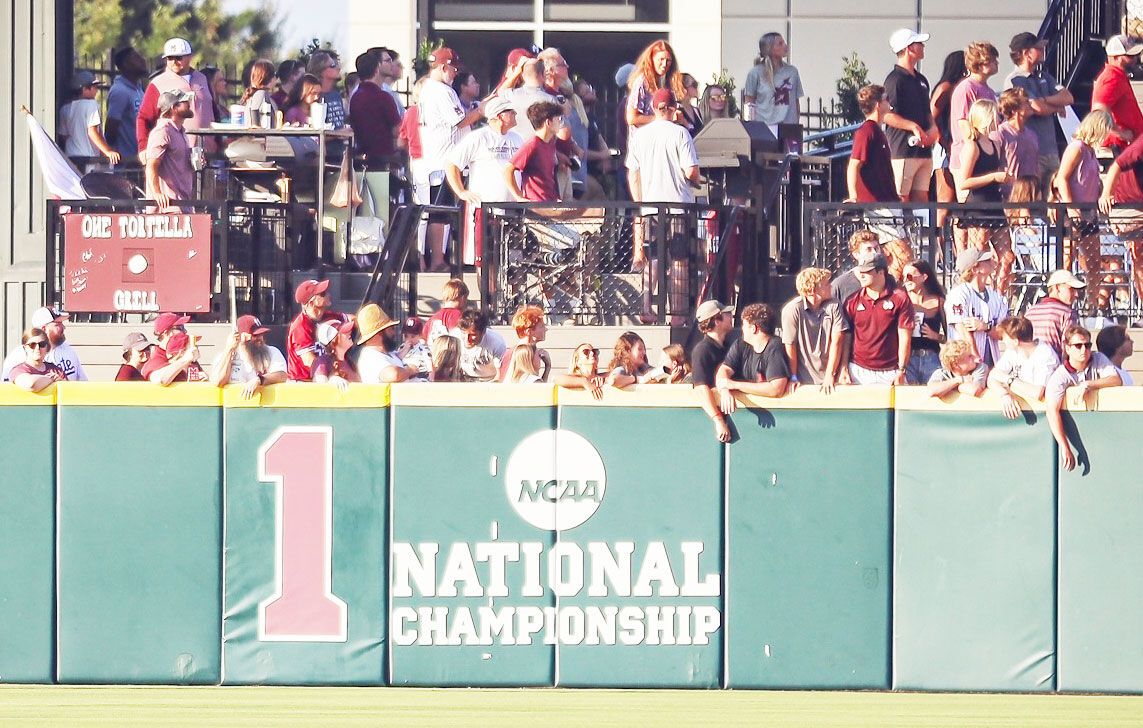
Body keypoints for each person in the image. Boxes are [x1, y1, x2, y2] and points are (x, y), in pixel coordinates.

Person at [626, 87, 700, 276]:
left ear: (653, 107)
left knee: (652, 261)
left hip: (650, 210)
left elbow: (633, 174)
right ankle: (678, 307)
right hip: (678, 208)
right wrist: (697, 180)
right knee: (679, 262)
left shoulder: (639, 136)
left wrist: (641, 204)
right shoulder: (681, 133)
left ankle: (647, 305)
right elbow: (691, 171)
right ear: (674, 108)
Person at [1054, 110, 1110, 308]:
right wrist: (1070, 207)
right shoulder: (1076, 148)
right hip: (1074, 212)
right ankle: (1062, 303)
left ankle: (1092, 306)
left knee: (1094, 262)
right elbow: (1062, 177)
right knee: (1067, 261)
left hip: (1089, 213)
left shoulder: (1091, 152)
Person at [1047, 325, 1123, 470]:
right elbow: (1051, 411)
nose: (1084, 350)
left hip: (1106, 433)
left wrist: (1089, 384)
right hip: (1079, 436)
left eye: (1087, 345)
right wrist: (1065, 447)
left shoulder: (1098, 358)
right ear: (1068, 348)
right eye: (1078, 345)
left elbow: (1116, 380)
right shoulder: (1060, 375)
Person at [959, 99, 1015, 291]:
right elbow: (964, 181)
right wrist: (993, 177)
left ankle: (998, 293)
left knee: (1007, 256)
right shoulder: (972, 146)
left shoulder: (995, 145)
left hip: (995, 204)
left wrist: (1004, 178)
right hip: (978, 206)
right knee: (978, 254)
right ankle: (974, 289)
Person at [1004, 32, 1072, 190]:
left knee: (1053, 198)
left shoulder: (1044, 76)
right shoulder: (1015, 80)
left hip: (1051, 150)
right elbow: (1037, 108)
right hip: (1032, 152)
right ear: (1026, 53)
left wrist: (1045, 100)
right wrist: (1056, 107)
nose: (1042, 51)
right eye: (1038, 49)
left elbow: (1068, 97)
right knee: (1034, 197)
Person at [135, 37, 214, 161]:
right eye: (170, 58)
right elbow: (144, 118)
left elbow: (213, 111)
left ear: (189, 57)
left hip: (208, 152)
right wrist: (143, 147)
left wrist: (219, 142)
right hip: (175, 154)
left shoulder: (202, 79)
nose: (174, 62)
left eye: (178, 58)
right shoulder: (158, 82)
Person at [884, 28, 938, 202]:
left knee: (921, 196)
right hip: (902, 149)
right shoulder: (894, 80)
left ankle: (921, 230)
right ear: (908, 48)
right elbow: (887, 115)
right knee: (902, 195)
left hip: (923, 151)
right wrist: (912, 126)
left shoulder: (921, 79)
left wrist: (933, 130)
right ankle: (902, 229)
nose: (922, 46)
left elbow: (927, 111)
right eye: (918, 43)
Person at [844, 251, 913, 386]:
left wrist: (901, 370)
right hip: (858, 370)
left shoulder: (900, 298)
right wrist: (843, 367)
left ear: (881, 272)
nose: (861, 275)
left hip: (891, 372)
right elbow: (846, 337)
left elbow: (905, 337)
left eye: (867, 271)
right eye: (860, 271)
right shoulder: (852, 301)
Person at [715, 302, 791, 414]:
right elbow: (724, 370)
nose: (742, 329)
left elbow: (776, 389)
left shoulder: (775, 347)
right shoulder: (740, 344)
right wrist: (725, 390)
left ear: (754, 328)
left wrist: (735, 385)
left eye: (744, 325)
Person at [781, 266, 848, 392]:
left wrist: (830, 374)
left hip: (831, 376)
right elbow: (790, 345)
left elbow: (837, 341)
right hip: (804, 378)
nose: (831, 286)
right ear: (813, 290)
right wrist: (793, 376)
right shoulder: (792, 310)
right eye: (826, 284)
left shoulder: (834, 305)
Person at [1097, 127, 1143, 303]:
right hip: (1127, 209)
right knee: (1139, 257)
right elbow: (1117, 164)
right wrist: (1106, 194)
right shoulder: (1141, 145)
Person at [949, 41, 999, 197]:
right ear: (981, 64)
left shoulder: (988, 90)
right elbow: (964, 123)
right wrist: (976, 146)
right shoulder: (966, 88)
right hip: (967, 160)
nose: (997, 63)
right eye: (992, 60)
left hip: (984, 159)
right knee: (968, 207)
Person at [945, 247, 1009, 366]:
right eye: (985, 260)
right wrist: (975, 358)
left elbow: (1003, 334)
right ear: (975, 269)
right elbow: (962, 329)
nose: (991, 261)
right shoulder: (959, 294)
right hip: (964, 362)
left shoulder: (997, 297)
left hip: (992, 360)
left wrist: (986, 327)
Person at [987, 315, 1060, 418]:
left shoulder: (1046, 354)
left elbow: (1037, 393)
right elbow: (991, 377)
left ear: (1016, 341)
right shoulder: (1012, 351)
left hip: (1047, 414)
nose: (1003, 341)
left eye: (1005, 338)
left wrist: (1008, 379)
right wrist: (1004, 394)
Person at [930, 50, 967, 230]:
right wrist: (945, 142)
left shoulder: (961, 87)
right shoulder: (946, 87)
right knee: (945, 199)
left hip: (956, 146)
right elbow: (932, 117)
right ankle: (937, 244)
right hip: (945, 147)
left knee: (958, 201)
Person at [209, 315, 288, 398]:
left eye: (261, 334)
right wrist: (229, 350)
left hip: (265, 406)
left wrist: (259, 380)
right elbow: (218, 382)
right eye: (255, 335)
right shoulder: (226, 356)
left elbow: (282, 375)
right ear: (240, 336)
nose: (260, 338)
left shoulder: (272, 351)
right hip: (234, 405)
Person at [690, 300, 734, 442]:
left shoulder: (730, 347)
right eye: (726, 314)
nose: (731, 316)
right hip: (716, 419)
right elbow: (701, 388)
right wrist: (719, 421)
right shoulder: (702, 350)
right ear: (717, 320)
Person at [3, 307, 86, 382]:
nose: (63, 328)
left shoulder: (68, 350)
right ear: (44, 329)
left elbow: (82, 382)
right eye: (58, 324)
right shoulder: (20, 354)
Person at [1091, 34, 1143, 155]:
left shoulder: (1119, 76)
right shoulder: (1111, 77)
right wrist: (1119, 133)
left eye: (1136, 55)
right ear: (1116, 57)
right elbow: (1099, 110)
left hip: (1126, 147)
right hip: (1117, 148)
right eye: (1130, 56)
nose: (1135, 59)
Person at [144, 89, 195, 212]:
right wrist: (157, 194)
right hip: (167, 208)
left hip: (182, 204)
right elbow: (151, 165)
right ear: (173, 108)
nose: (189, 104)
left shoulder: (180, 131)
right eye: (184, 102)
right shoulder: (163, 131)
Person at [349, 51, 401, 168]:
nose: (391, 64)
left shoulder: (355, 96)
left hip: (362, 157)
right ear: (377, 68)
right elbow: (397, 129)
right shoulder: (383, 97)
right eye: (388, 61)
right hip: (384, 159)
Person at [505, 100, 565, 203]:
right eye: (558, 119)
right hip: (535, 208)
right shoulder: (532, 144)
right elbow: (508, 170)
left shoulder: (550, 144)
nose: (560, 123)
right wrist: (519, 197)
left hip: (550, 204)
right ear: (548, 122)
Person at [60, 70, 119, 170]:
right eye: (94, 87)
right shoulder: (91, 104)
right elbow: (92, 132)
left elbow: (64, 136)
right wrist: (107, 152)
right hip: (88, 159)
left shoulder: (64, 109)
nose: (96, 91)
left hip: (71, 159)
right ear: (84, 89)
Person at [286, 279, 343, 381]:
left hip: (322, 378)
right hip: (303, 384)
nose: (328, 294)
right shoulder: (300, 326)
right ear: (312, 303)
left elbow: (351, 319)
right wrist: (332, 375)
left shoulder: (327, 315)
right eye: (323, 294)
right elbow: (309, 361)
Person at [742, 32, 803, 125]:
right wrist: (751, 129)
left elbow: (796, 104)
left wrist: (796, 126)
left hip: (788, 128)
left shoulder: (792, 72)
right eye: (780, 43)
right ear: (769, 48)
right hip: (764, 129)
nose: (785, 46)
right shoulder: (755, 73)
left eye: (784, 42)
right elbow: (749, 104)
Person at [901, 260, 946, 385]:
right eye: (903, 277)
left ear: (924, 277)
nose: (906, 280)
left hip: (931, 357)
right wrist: (905, 327)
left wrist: (935, 336)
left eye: (909, 276)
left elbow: (951, 337)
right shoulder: (902, 301)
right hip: (908, 358)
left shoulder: (939, 302)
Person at [626, 40, 686, 130]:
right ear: (651, 59)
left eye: (668, 60)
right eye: (661, 59)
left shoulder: (664, 81)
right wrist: (663, 119)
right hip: (644, 139)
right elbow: (632, 118)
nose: (664, 64)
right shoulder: (642, 81)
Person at [1024, 269, 1084, 357]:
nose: (1076, 294)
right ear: (1057, 288)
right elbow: (1069, 349)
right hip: (1055, 367)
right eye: (1071, 289)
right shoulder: (1067, 313)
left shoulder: (1030, 312)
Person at [105, 48, 148, 166]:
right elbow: (111, 127)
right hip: (127, 162)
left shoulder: (139, 89)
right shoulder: (120, 91)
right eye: (136, 58)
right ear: (125, 64)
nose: (142, 61)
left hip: (140, 157)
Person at [356, 303, 418, 383]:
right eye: (390, 329)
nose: (394, 333)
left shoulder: (386, 353)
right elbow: (393, 375)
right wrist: (410, 371)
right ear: (379, 334)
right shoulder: (370, 357)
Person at [992, 88, 1039, 186]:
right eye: (1026, 102)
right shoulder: (1000, 133)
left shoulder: (1032, 135)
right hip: (1008, 195)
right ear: (1014, 110)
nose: (1030, 104)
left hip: (1030, 193)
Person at [830, 229, 883, 308]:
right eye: (868, 249)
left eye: (876, 248)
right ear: (856, 254)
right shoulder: (840, 285)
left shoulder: (887, 280)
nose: (874, 253)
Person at [498, 305, 550, 381]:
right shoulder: (515, 354)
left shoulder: (532, 352)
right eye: (542, 326)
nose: (546, 329)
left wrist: (547, 367)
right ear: (529, 331)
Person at [455, 308, 507, 382]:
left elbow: (501, 375)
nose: (467, 339)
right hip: (462, 380)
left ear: (483, 332)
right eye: (463, 333)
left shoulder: (496, 343)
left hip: (489, 381)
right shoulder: (454, 337)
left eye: (472, 335)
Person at [9, 328, 66, 393]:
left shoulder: (57, 370)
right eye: (32, 345)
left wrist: (62, 381)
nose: (37, 348)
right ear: (25, 348)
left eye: (42, 344)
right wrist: (52, 379)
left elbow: (69, 391)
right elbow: (31, 385)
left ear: (47, 347)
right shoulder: (18, 370)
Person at [311, 319, 360, 390]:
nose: (349, 333)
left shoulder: (351, 362)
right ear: (334, 340)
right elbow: (320, 390)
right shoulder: (322, 362)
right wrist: (332, 380)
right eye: (344, 332)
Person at [422, 278, 470, 347]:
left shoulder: (433, 318)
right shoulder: (459, 316)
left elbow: (424, 338)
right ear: (462, 298)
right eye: (466, 298)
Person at [307, 51, 346, 130]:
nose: (338, 68)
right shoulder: (314, 97)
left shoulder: (336, 95)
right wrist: (338, 134)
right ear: (320, 70)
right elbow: (313, 133)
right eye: (333, 65)